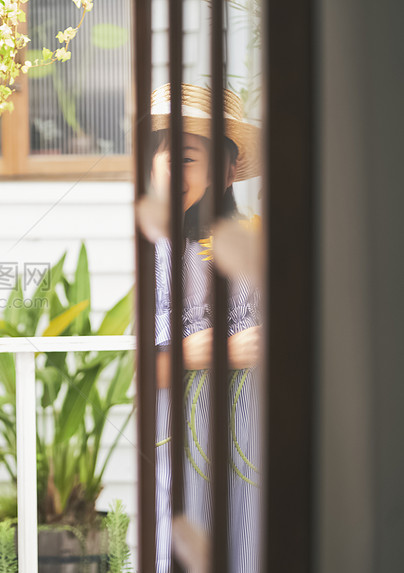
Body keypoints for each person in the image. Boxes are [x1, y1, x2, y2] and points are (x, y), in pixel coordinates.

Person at [141, 83, 263, 573]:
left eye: (187, 156)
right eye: (161, 154)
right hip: (184, 445)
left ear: (226, 170)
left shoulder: (254, 247)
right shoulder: (153, 250)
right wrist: (224, 349)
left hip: (253, 437)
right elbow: (153, 370)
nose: (170, 166)